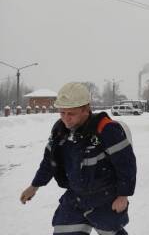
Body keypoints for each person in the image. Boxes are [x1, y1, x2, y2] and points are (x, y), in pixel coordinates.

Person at [20, 82, 137, 235]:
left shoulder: (107, 130)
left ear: (86, 110)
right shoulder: (60, 131)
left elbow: (126, 165)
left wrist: (123, 195)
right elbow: (49, 161)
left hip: (105, 199)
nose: (66, 119)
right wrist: (34, 186)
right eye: (62, 113)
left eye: (71, 114)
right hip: (75, 198)